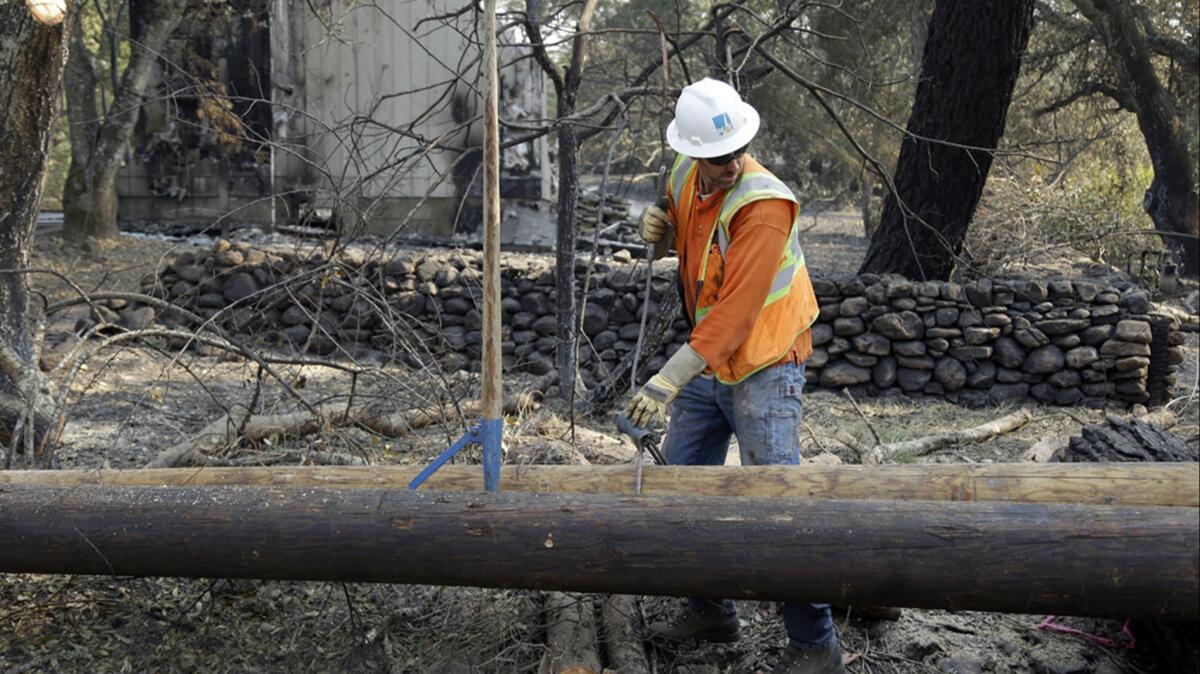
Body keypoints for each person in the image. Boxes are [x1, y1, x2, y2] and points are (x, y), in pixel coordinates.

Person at [625, 78, 844, 674]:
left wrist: (667, 380)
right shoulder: (682, 173)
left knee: (779, 503)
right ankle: (711, 608)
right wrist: (665, 231)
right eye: (714, 159)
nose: (727, 166)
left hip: (765, 362)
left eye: (734, 154)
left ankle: (816, 644)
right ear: (692, 152)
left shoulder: (764, 204)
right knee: (685, 489)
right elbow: (698, 249)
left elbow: (738, 311)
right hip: (712, 358)